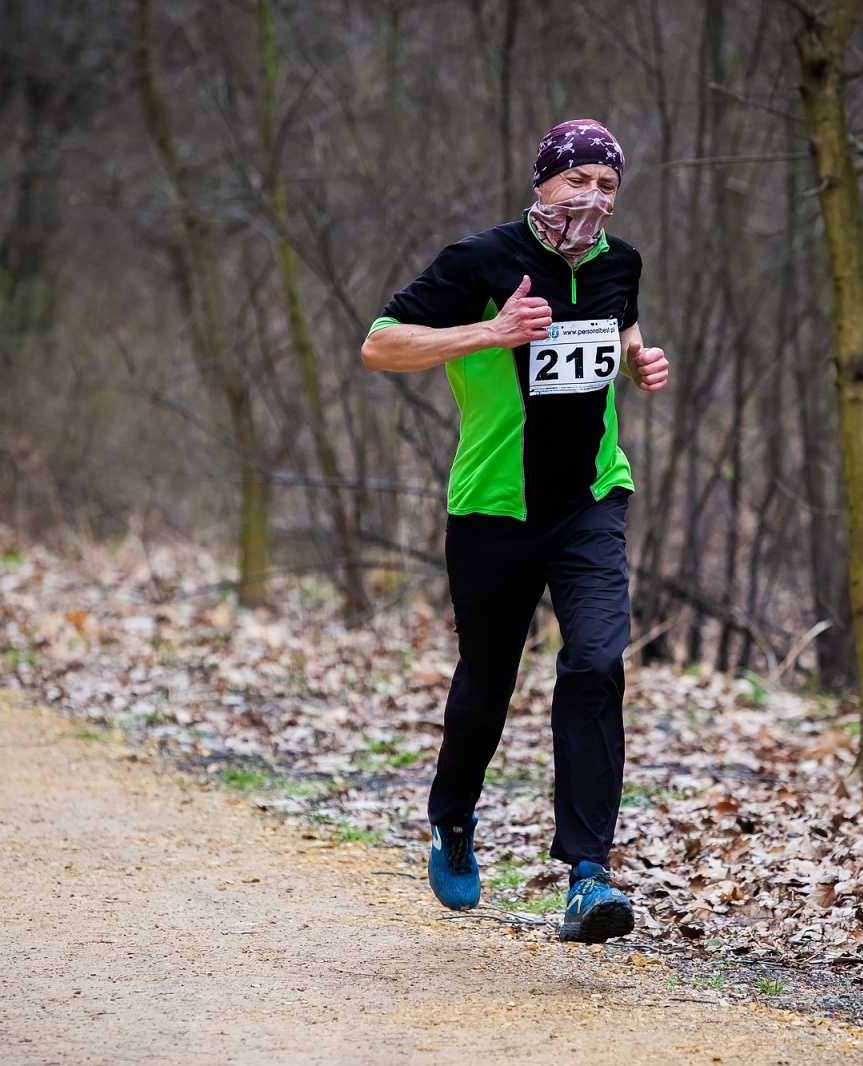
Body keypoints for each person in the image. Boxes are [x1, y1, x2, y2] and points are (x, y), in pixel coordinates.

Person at [361, 119, 668, 943]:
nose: (592, 199)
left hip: (590, 501)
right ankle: (452, 820)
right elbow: (380, 346)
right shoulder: (480, 261)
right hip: (494, 508)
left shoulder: (621, 264)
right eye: (577, 182)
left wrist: (641, 361)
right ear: (542, 183)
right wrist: (489, 333)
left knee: (598, 661)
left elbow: (622, 330)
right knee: (488, 680)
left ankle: (589, 876)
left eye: (606, 184)